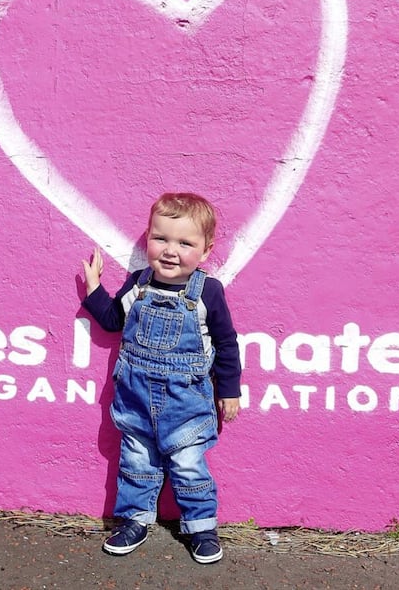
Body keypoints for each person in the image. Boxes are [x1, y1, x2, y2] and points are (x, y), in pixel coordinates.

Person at [81, 192, 242, 564]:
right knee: (136, 463)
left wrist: (229, 390)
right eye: (161, 239)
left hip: (186, 404)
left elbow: (226, 343)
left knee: (189, 466)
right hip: (135, 400)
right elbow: (112, 322)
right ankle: (134, 520)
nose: (170, 250)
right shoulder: (137, 284)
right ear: (148, 238)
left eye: (185, 243)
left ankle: (201, 527)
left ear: (205, 251)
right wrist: (94, 289)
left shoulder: (207, 292)